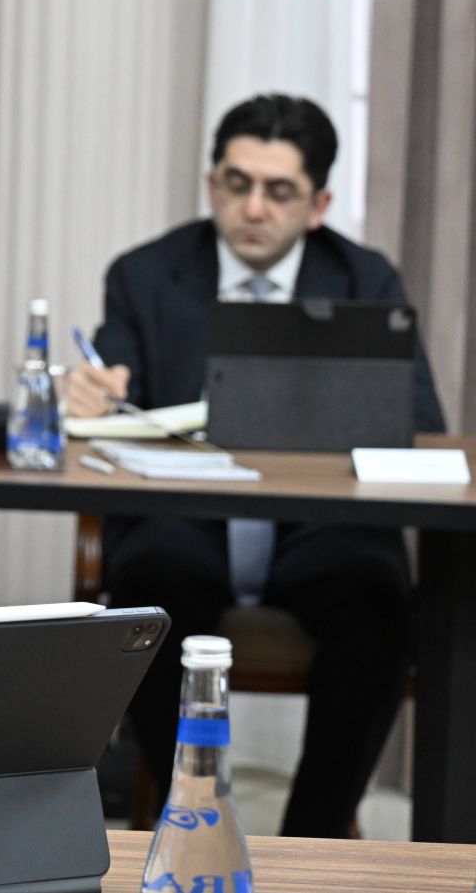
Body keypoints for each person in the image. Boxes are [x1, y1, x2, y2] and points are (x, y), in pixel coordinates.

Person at [66, 93, 445, 838]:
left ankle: (312, 840)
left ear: (318, 204)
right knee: (149, 586)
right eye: (236, 184)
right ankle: (197, 818)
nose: (253, 208)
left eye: (279, 191)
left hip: (321, 530)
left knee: (378, 598)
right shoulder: (145, 275)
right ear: (212, 183)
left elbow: (423, 426)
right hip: (186, 525)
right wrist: (87, 396)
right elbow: (105, 410)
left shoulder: (365, 280)